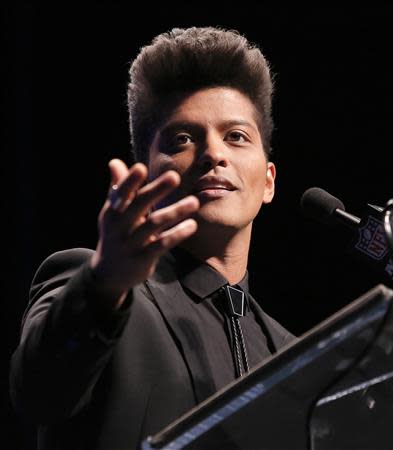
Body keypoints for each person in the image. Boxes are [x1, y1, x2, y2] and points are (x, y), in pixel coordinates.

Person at [10, 26, 295, 450]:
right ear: (145, 173)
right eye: (183, 139)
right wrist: (104, 283)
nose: (214, 154)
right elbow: (38, 393)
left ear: (268, 181)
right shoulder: (102, 289)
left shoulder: (291, 350)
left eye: (236, 136)